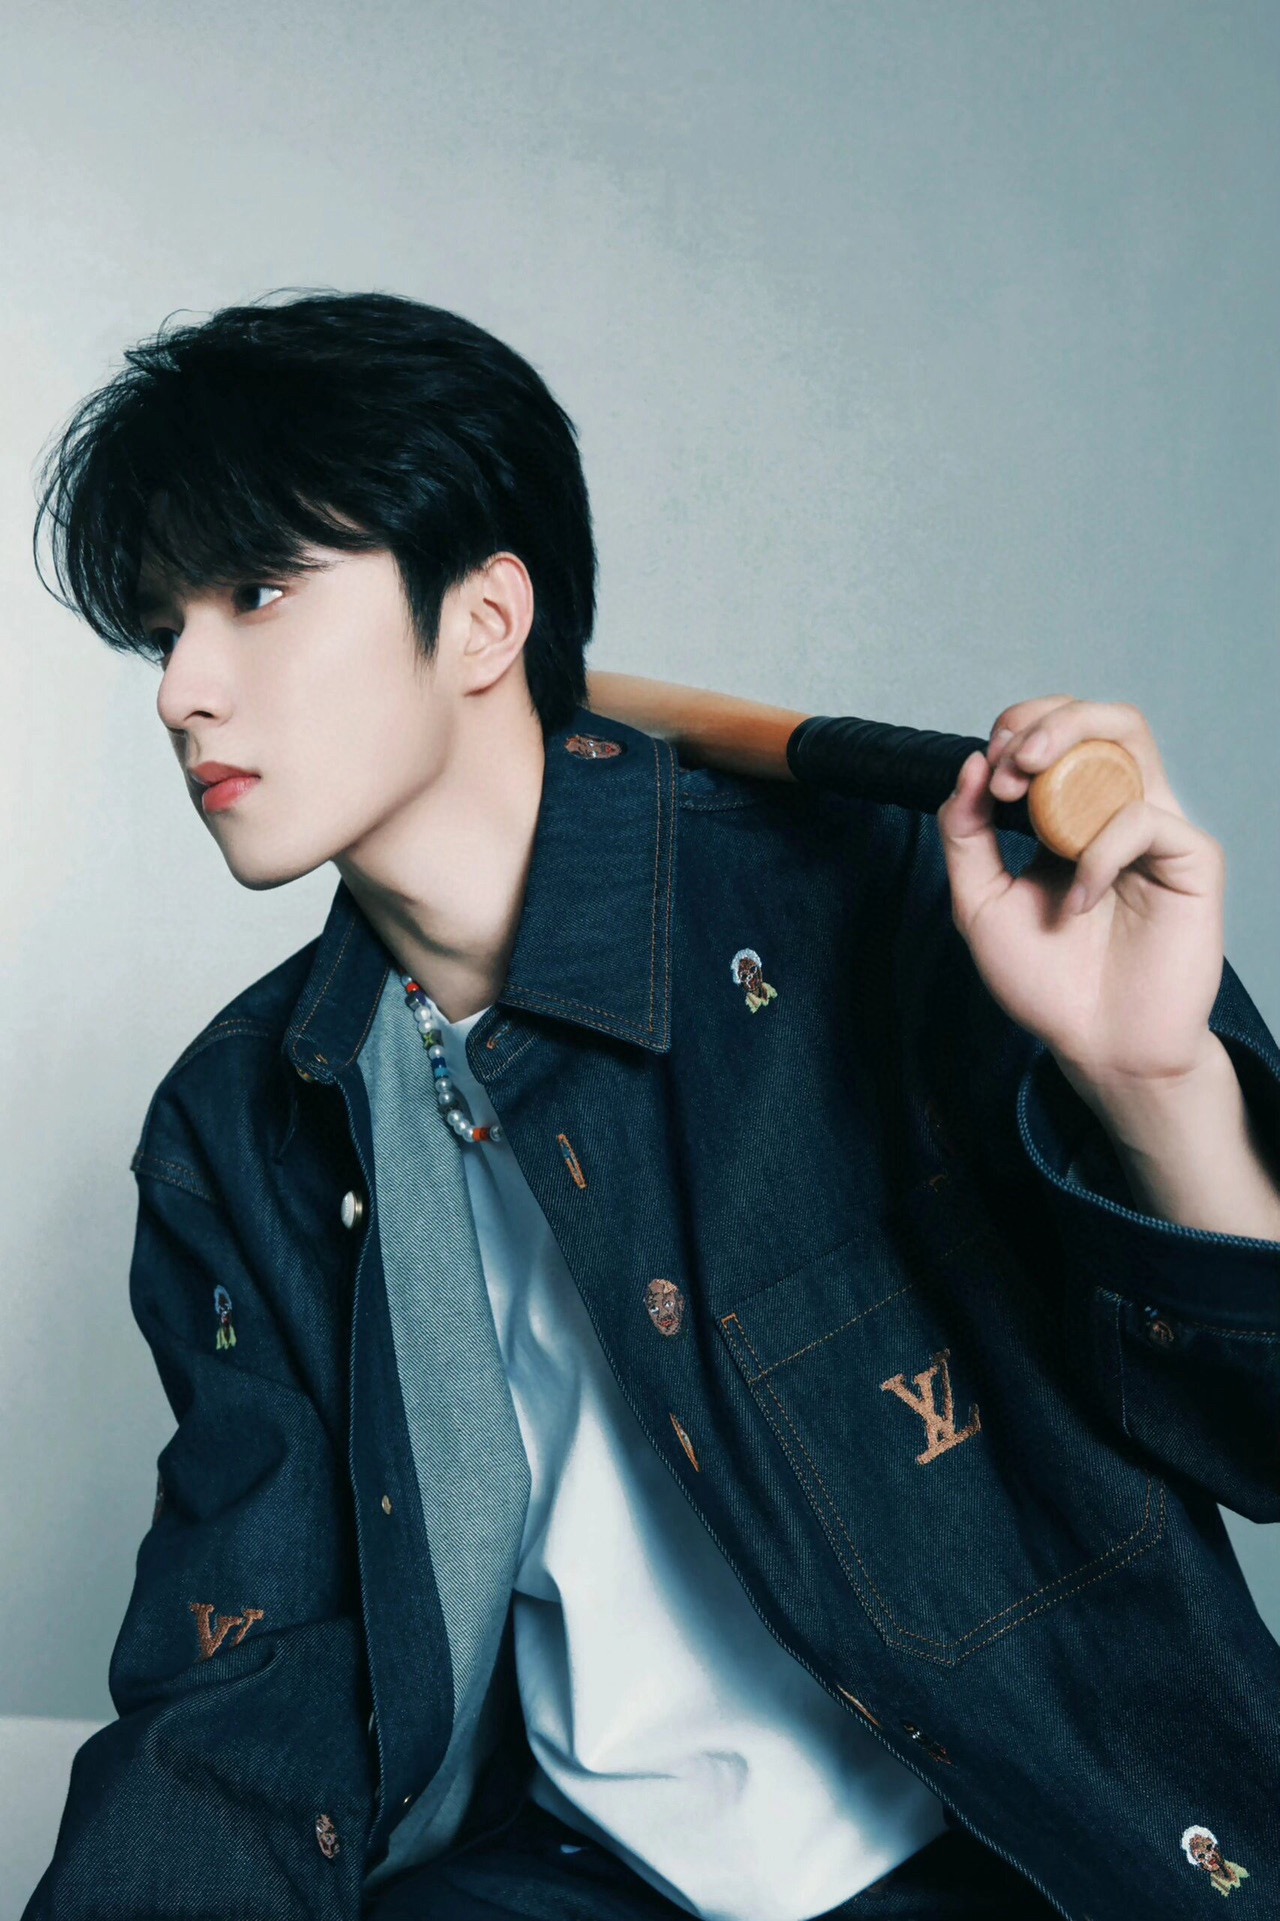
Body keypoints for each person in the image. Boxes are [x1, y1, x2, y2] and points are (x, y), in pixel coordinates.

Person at [23, 290, 1280, 1921]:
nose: (184, 687)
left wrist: (1157, 1083)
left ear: (486, 619)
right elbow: (248, 1686)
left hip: (1016, 1863)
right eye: (162, 627)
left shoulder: (884, 911)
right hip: (577, 1877)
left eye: (256, 592)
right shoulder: (242, 1126)